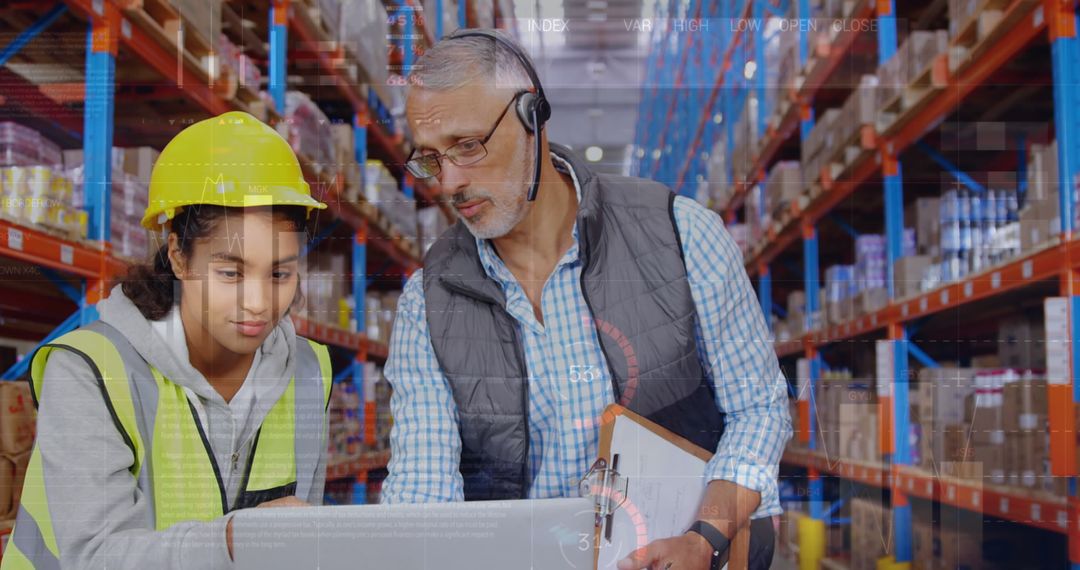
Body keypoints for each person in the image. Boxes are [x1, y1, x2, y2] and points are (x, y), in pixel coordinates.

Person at [382, 29, 793, 570]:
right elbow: (422, 490)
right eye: (431, 159)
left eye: (468, 145)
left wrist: (702, 538)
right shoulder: (427, 304)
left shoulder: (679, 235)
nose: (451, 181)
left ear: (533, 117)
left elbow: (758, 408)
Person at [3, 111, 333, 569]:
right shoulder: (90, 370)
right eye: (230, 272)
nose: (259, 302)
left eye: (280, 273)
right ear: (178, 255)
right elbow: (94, 557)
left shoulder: (309, 371)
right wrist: (235, 540)